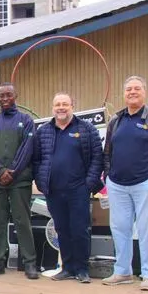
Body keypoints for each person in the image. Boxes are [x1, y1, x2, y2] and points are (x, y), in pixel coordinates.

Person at [102, 76, 148, 291]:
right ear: (124, 94)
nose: (132, 92)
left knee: (147, 230)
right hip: (117, 185)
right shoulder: (116, 120)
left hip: (146, 183)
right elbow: (107, 152)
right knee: (120, 229)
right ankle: (122, 271)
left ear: (144, 92)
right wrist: (108, 175)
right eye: (128, 89)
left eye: (136, 88)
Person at [33, 92, 103, 283]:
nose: (61, 108)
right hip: (53, 190)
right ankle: (67, 268)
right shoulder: (44, 131)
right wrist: (40, 182)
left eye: (65, 104)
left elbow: (98, 158)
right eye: (57, 105)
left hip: (78, 189)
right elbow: (37, 159)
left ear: (73, 106)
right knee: (61, 229)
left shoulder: (87, 129)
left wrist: (88, 183)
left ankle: (82, 269)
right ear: (53, 108)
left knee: (80, 229)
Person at [0, 82, 39, 279]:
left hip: (19, 180)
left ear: (16, 96)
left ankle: (29, 262)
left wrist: (12, 171)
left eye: (9, 95)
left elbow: (27, 148)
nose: (5, 99)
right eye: (2, 96)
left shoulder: (26, 120)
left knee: (22, 221)